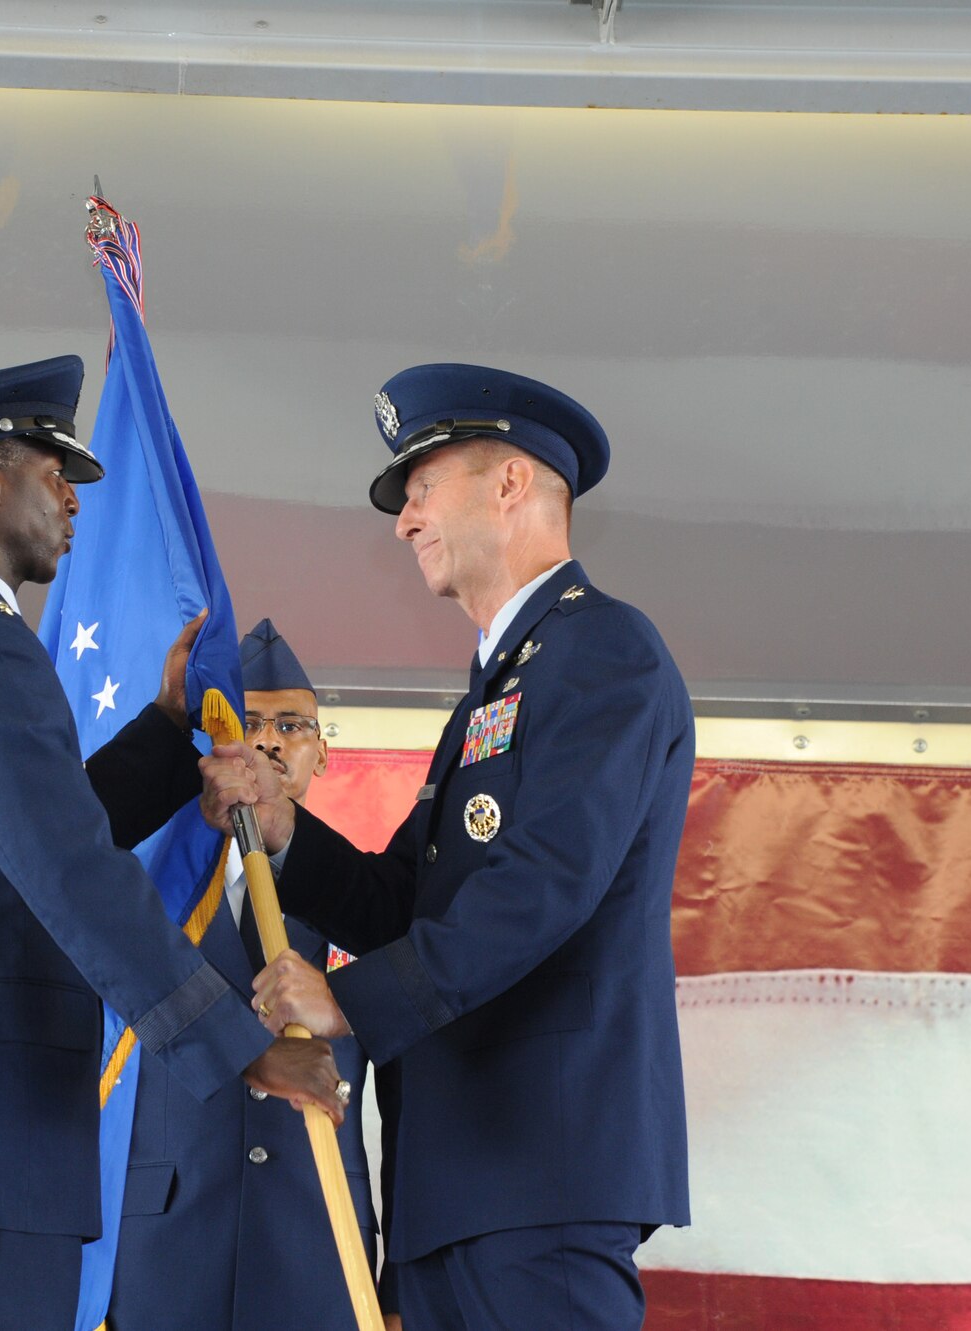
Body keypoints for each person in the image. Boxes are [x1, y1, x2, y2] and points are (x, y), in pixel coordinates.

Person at [0, 356, 347, 1331]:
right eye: (51, 472)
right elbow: (69, 871)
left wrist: (164, 725)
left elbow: (20, 838)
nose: (70, 498)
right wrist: (240, 1052)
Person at [202, 363, 695, 1331]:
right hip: (457, 1187)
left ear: (509, 483)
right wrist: (280, 826)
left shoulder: (604, 654)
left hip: (536, 1179)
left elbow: (541, 886)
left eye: (421, 485)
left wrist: (347, 997)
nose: (402, 518)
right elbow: (403, 898)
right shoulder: (494, 688)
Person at [108, 619, 398, 1330]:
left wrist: (397, 1293)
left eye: (292, 724)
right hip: (165, 1247)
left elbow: (408, 1089)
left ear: (324, 751)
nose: (268, 740)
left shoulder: (373, 899)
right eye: (252, 720)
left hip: (321, 1240)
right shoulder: (151, 890)